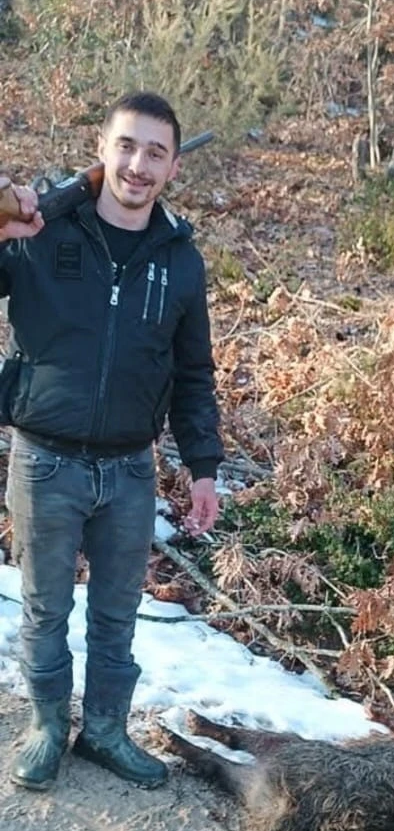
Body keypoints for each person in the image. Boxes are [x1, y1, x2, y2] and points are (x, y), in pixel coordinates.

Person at [0, 91, 224, 792]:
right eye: (127, 145)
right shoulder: (42, 231)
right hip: (43, 462)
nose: (138, 164)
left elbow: (193, 374)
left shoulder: (180, 261)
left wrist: (205, 468)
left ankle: (102, 731)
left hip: (131, 470)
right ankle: (44, 727)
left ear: (173, 169)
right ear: (103, 148)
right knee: (45, 607)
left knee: (117, 613)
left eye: (156, 152)